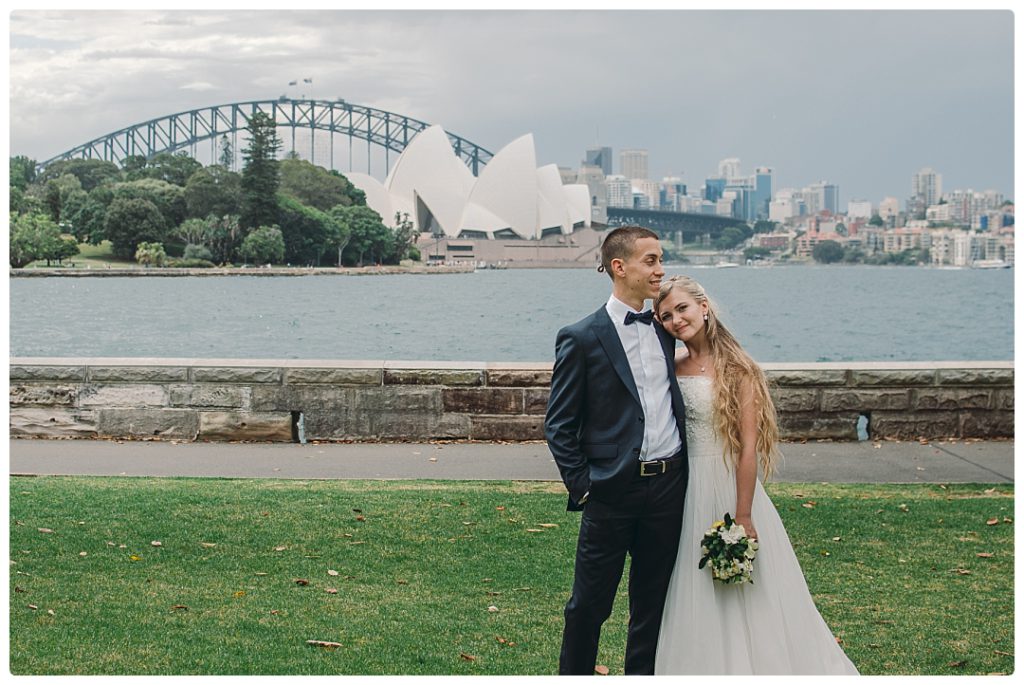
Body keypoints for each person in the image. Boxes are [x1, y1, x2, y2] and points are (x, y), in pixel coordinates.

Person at [652, 274, 859, 675]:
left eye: (682, 309)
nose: (676, 320)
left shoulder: (739, 369)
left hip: (730, 484)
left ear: (704, 307)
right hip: (683, 489)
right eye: (665, 316)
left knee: (751, 589)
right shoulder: (670, 369)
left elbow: (748, 447)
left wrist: (743, 515)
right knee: (692, 587)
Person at [544, 226, 689, 675]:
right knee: (587, 608)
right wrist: (585, 486)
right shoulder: (581, 337)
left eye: (661, 260)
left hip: (667, 490)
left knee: (651, 608)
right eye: (651, 261)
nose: (660, 270)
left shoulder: (668, 329)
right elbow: (559, 425)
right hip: (610, 492)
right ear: (619, 266)